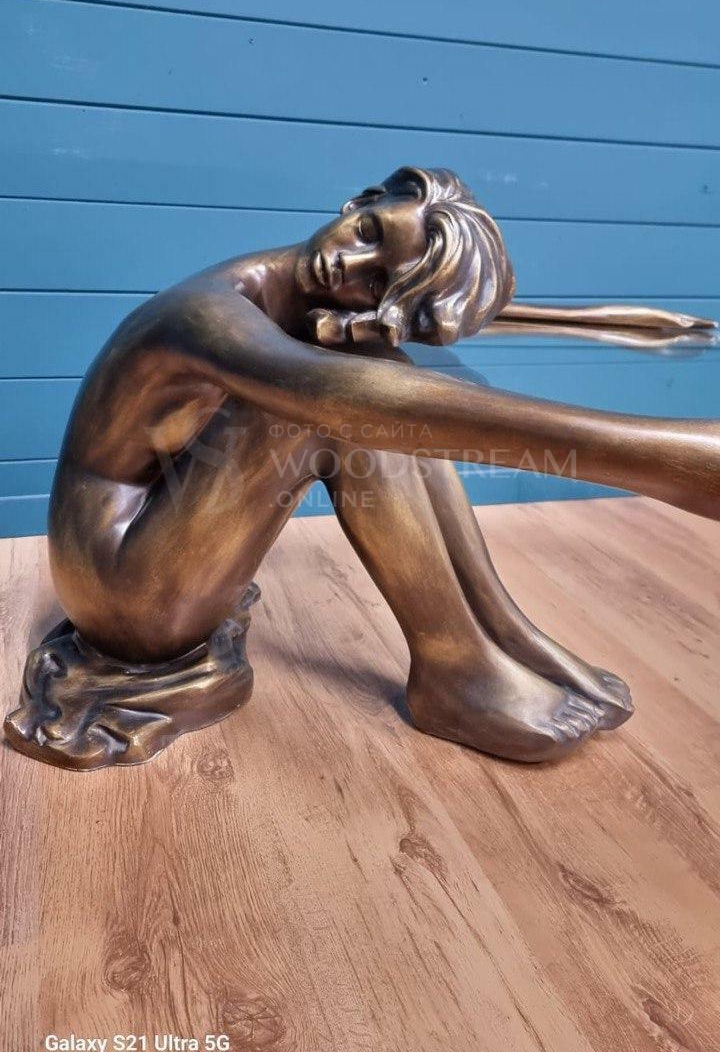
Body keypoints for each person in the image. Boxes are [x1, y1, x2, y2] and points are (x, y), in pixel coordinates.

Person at [9, 168, 720, 765]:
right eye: (368, 234)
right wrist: (663, 458)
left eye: (376, 281)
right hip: (120, 587)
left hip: (156, 552)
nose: (345, 265)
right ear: (361, 201)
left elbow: (464, 316)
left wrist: (611, 321)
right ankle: (457, 666)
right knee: (330, 401)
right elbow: (334, 390)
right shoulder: (208, 312)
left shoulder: (300, 297)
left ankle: (499, 633)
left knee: (369, 372)